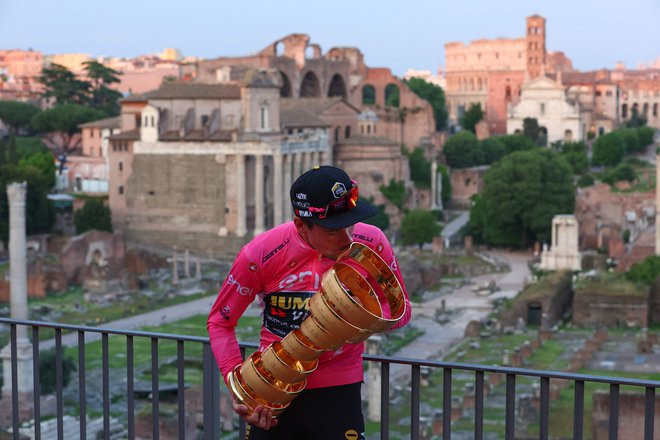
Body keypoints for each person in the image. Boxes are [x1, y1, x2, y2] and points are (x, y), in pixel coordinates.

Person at [208, 165, 411, 440]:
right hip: (273, 388)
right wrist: (243, 388)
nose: (347, 238)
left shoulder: (371, 242)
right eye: (332, 230)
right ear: (301, 225)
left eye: (349, 224)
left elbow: (402, 311)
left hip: (340, 390)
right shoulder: (260, 254)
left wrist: (360, 316)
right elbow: (220, 321)